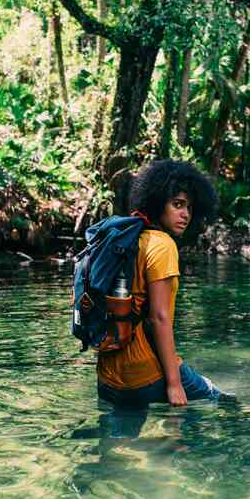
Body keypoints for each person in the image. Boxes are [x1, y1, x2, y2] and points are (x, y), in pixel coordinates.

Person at [97, 159, 232, 409]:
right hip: (143, 376)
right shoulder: (163, 246)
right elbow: (158, 318)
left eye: (189, 208)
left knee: (117, 441)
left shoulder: (127, 239)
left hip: (108, 379)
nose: (186, 215)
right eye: (177, 205)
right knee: (223, 402)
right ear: (157, 203)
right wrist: (174, 383)